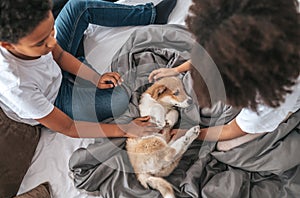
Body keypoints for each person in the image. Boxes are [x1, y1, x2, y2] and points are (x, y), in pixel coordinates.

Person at [0, 0, 178, 138]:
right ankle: (77, 69)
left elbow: (59, 55)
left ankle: (151, 15)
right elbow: (68, 127)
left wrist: (94, 78)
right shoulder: (17, 87)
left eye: (52, 31)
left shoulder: (38, 37)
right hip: (55, 101)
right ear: (7, 45)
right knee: (118, 99)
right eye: (41, 42)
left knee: (78, 6)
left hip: (55, 69)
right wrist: (124, 129)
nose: (52, 42)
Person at [149, 0, 300, 142]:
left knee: (226, 148)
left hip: (282, 101)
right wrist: (177, 69)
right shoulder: (276, 16)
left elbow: (232, 129)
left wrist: (192, 133)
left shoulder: (271, 99)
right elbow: (216, 50)